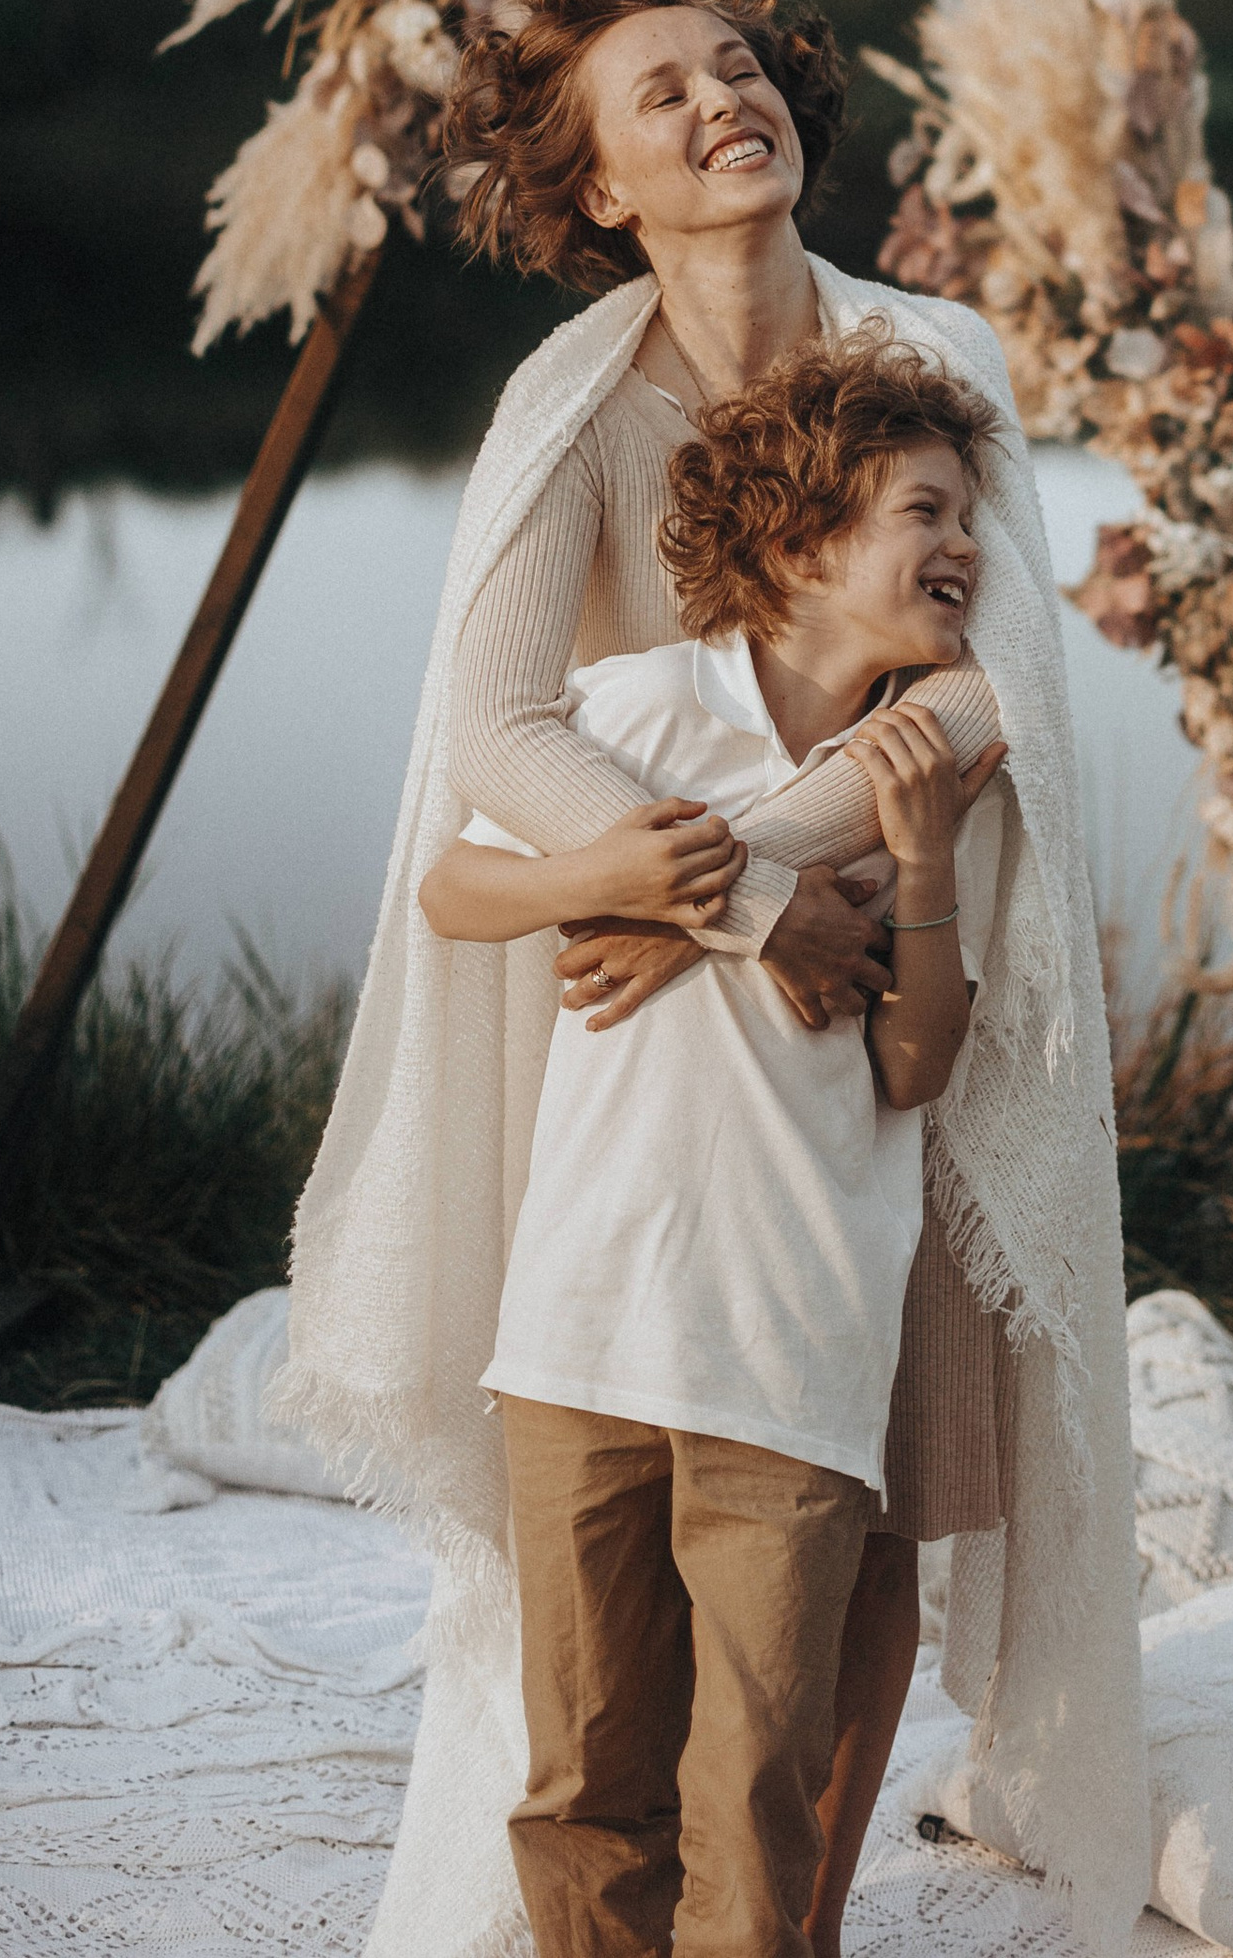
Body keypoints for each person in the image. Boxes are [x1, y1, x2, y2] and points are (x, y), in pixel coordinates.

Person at [274, 0, 1146, 1958]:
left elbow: (984, 686)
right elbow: (489, 731)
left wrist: (787, 860)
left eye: (736, 63)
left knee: (877, 1497)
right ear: (594, 188)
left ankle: (794, 1920)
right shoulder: (570, 407)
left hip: (903, 968)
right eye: (656, 91)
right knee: (640, 1523)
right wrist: (718, 896)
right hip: (664, 1013)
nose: (717, 99)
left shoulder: (932, 353)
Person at [415, 336, 1009, 1957]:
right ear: (809, 540)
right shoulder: (629, 709)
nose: (964, 548)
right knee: (583, 1774)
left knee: (756, 1781)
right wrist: (627, 880)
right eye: (923, 511)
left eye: (967, 516)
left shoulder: (933, 766)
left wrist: (923, 858)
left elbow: (916, 1062)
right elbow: (455, 893)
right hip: (584, 1324)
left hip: (790, 1342)